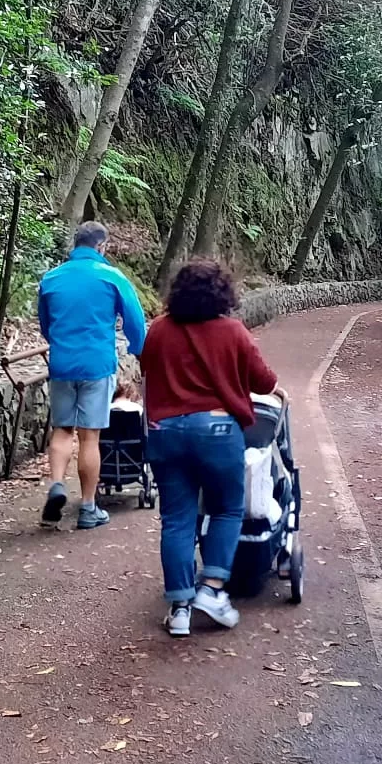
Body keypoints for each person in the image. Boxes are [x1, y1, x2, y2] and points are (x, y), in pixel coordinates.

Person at [138, 258, 278, 636]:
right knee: (227, 509)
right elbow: (264, 382)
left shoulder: (159, 329)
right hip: (216, 430)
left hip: (166, 431)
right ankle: (212, 590)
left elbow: (146, 368)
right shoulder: (232, 331)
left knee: (177, 518)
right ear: (223, 293)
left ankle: (180, 608)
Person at [36, 220, 147, 529]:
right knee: (89, 436)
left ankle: (57, 484)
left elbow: (46, 325)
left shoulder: (52, 278)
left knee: (62, 430)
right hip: (97, 365)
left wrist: (61, 345)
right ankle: (88, 508)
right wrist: (139, 349)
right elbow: (135, 322)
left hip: (62, 364)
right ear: (101, 246)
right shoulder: (112, 276)